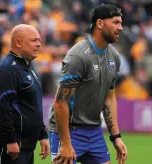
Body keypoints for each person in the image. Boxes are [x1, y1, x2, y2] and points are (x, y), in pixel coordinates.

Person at [49, 4, 128, 164]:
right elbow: (60, 102)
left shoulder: (114, 57)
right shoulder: (78, 56)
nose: (120, 27)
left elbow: (109, 99)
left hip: (93, 130)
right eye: (115, 22)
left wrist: (116, 137)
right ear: (100, 23)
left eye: (121, 23)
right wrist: (66, 143)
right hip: (68, 131)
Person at [0, 24, 50, 164]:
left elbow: (33, 106)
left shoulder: (28, 67)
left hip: (25, 146)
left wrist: (42, 135)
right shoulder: (8, 69)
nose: (39, 44)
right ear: (18, 42)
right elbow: (1, 107)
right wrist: (10, 140)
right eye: (34, 40)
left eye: (39, 40)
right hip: (7, 147)